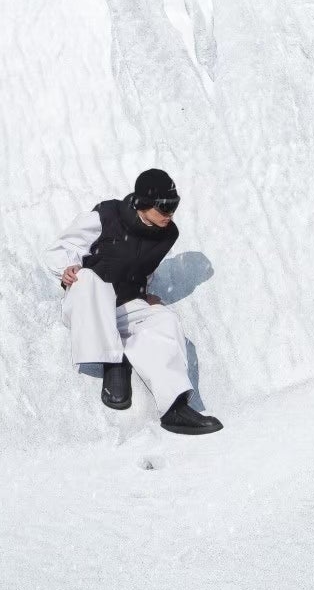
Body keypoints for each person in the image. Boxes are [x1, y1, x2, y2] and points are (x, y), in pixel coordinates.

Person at [43, 167, 223, 435]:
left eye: (174, 205)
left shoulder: (167, 234)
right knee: (88, 279)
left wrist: (144, 290)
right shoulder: (107, 215)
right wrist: (67, 268)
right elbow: (61, 247)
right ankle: (113, 364)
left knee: (164, 319)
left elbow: (143, 265)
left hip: (125, 303)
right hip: (89, 302)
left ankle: (174, 407)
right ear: (142, 203)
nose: (170, 214)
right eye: (164, 207)